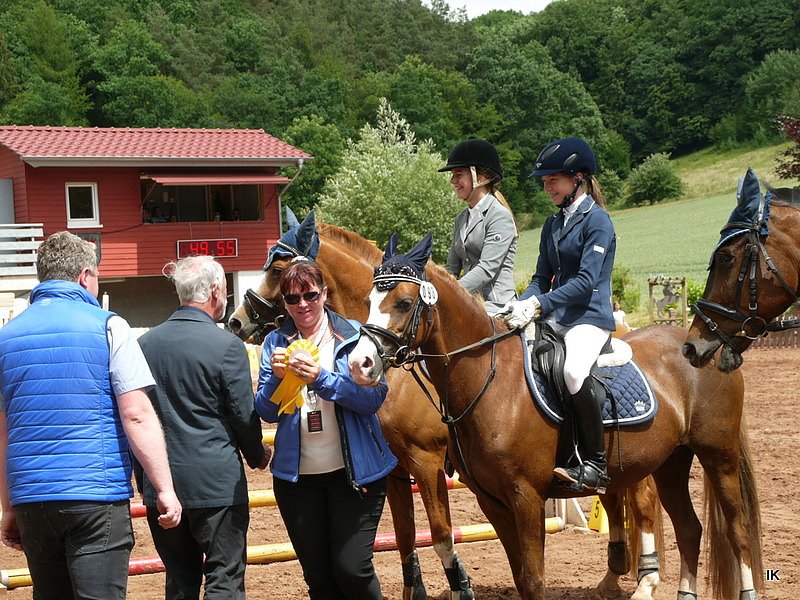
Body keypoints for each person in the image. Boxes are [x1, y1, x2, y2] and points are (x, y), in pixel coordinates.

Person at [0, 231, 181, 599]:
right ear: (85, 276)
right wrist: (164, 488)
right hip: (94, 494)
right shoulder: (109, 325)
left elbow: (4, 432)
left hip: (32, 498)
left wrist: (8, 506)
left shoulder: (6, 336)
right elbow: (136, 415)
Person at [255, 260, 397, 599]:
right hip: (297, 482)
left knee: (353, 569)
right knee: (319, 579)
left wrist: (322, 378)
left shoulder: (354, 335)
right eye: (291, 298)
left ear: (325, 294)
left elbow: (373, 398)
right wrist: (277, 378)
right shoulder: (275, 343)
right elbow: (266, 412)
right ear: (284, 302)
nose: (302, 304)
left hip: (356, 476)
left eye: (309, 295)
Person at [137, 256, 271, 599]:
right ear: (215, 292)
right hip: (217, 485)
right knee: (224, 579)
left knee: (180, 580)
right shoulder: (226, 346)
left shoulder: (143, 346)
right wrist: (258, 455)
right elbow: (242, 415)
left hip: (161, 485)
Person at [502, 137, 616, 494]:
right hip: (555, 317)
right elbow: (540, 278)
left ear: (578, 178)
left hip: (590, 318)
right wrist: (520, 303)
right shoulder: (553, 224)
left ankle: (595, 463)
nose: (547, 186)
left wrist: (538, 306)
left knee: (571, 371)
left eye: (554, 180)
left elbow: (585, 282)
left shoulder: (598, 221)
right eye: (545, 180)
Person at [439, 138, 518, 314]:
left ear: (481, 178)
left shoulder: (499, 216)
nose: (453, 180)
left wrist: (449, 293)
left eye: (458, 174)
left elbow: (486, 269)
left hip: (496, 306)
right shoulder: (461, 219)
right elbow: (451, 269)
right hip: (470, 303)